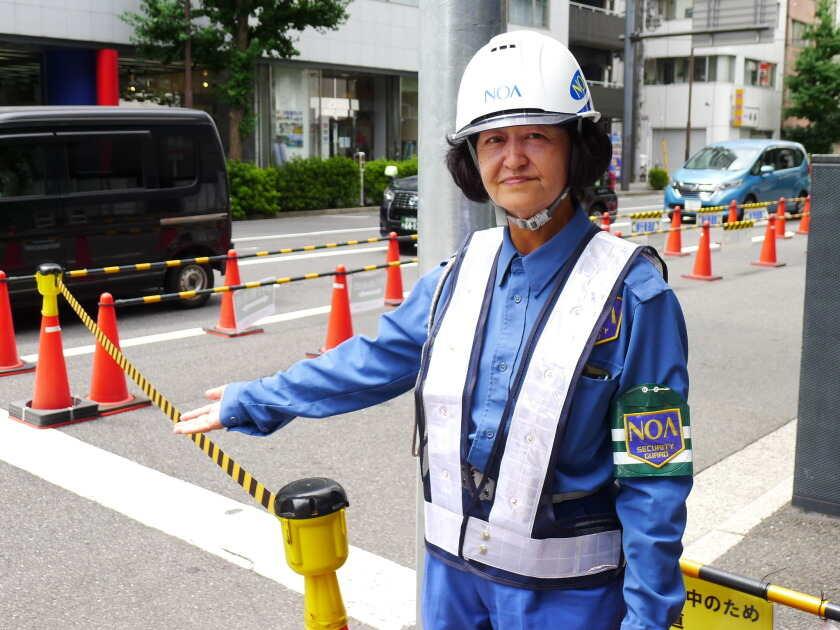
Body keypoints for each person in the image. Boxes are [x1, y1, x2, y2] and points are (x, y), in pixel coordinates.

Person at [177, 30, 692, 630]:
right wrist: (256, 398)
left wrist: (651, 620)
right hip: (450, 589)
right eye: (494, 139)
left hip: (568, 603)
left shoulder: (635, 300)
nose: (513, 158)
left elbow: (654, 481)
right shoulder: (458, 276)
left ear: (575, 149)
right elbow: (370, 362)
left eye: (535, 136)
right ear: (472, 157)